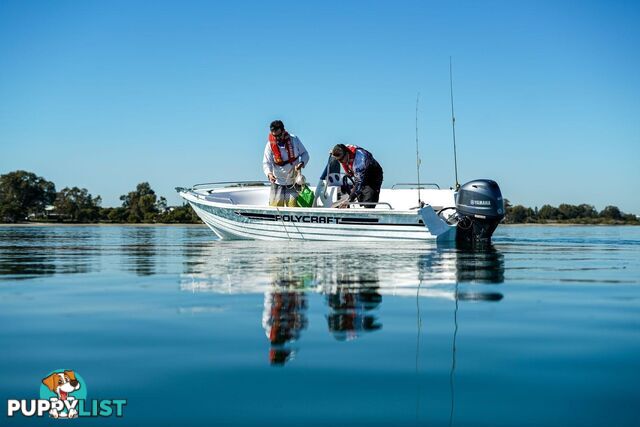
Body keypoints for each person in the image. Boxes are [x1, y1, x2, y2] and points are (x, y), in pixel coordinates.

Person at [262, 120, 310, 207]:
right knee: (275, 208)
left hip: (294, 182)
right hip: (277, 181)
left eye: (279, 135)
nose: (277, 138)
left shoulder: (294, 140)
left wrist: (302, 163)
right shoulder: (269, 145)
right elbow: (266, 162)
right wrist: (269, 174)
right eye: (274, 136)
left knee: (293, 208)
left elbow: (305, 154)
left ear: (283, 131)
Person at [331, 144, 383, 208]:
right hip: (360, 173)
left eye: (341, 160)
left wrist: (350, 199)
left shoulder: (360, 161)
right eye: (338, 160)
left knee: (368, 200)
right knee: (359, 196)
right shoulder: (345, 150)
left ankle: (367, 212)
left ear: (347, 154)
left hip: (373, 176)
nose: (340, 162)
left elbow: (359, 182)